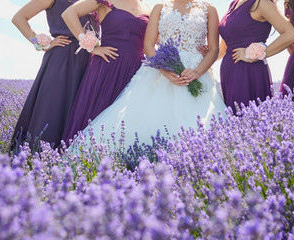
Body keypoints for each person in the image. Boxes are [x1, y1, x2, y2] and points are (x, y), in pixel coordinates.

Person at [68, 0, 226, 150]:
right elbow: (149, 45)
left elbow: (213, 49)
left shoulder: (209, 9)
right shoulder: (159, 7)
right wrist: (164, 69)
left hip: (196, 70)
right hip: (157, 71)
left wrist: (197, 71)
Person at [61, 0, 150, 143]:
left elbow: (150, 42)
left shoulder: (148, 7)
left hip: (136, 70)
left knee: (127, 120)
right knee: (96, 114)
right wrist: (91, 46)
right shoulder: (106, 1)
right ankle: (85, 159)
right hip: (107, 66)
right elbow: (69, 13)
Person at [10, 0, 92, 150]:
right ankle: (39, 155)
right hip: (62, 58)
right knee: (53, 107)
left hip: (89, 60)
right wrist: (41, 44)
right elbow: (19, 18)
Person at [218, 0, 294, 113]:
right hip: (229, 71)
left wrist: (256, 55)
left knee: (249, 121)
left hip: (248, 72)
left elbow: (291, 35)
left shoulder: (261, 3)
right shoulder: (234, 3)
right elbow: (223, 47)